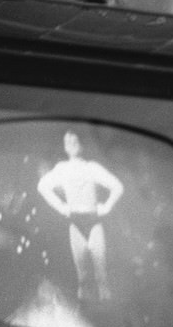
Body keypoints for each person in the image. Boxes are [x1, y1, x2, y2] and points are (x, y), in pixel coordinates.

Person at [37, 129, 125, 302]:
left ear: (81, 145)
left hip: (93, 220)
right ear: (64, 147)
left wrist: (106, 207)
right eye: (67, 142)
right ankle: (86, 305)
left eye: (75, 141)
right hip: (75, 222)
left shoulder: (91, 168)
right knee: (82, 275)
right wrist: (62, 207)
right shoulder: (62, 169)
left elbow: (117, 186)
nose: (71, 144)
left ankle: (106, 307)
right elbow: (42, 186)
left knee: (101, 272)